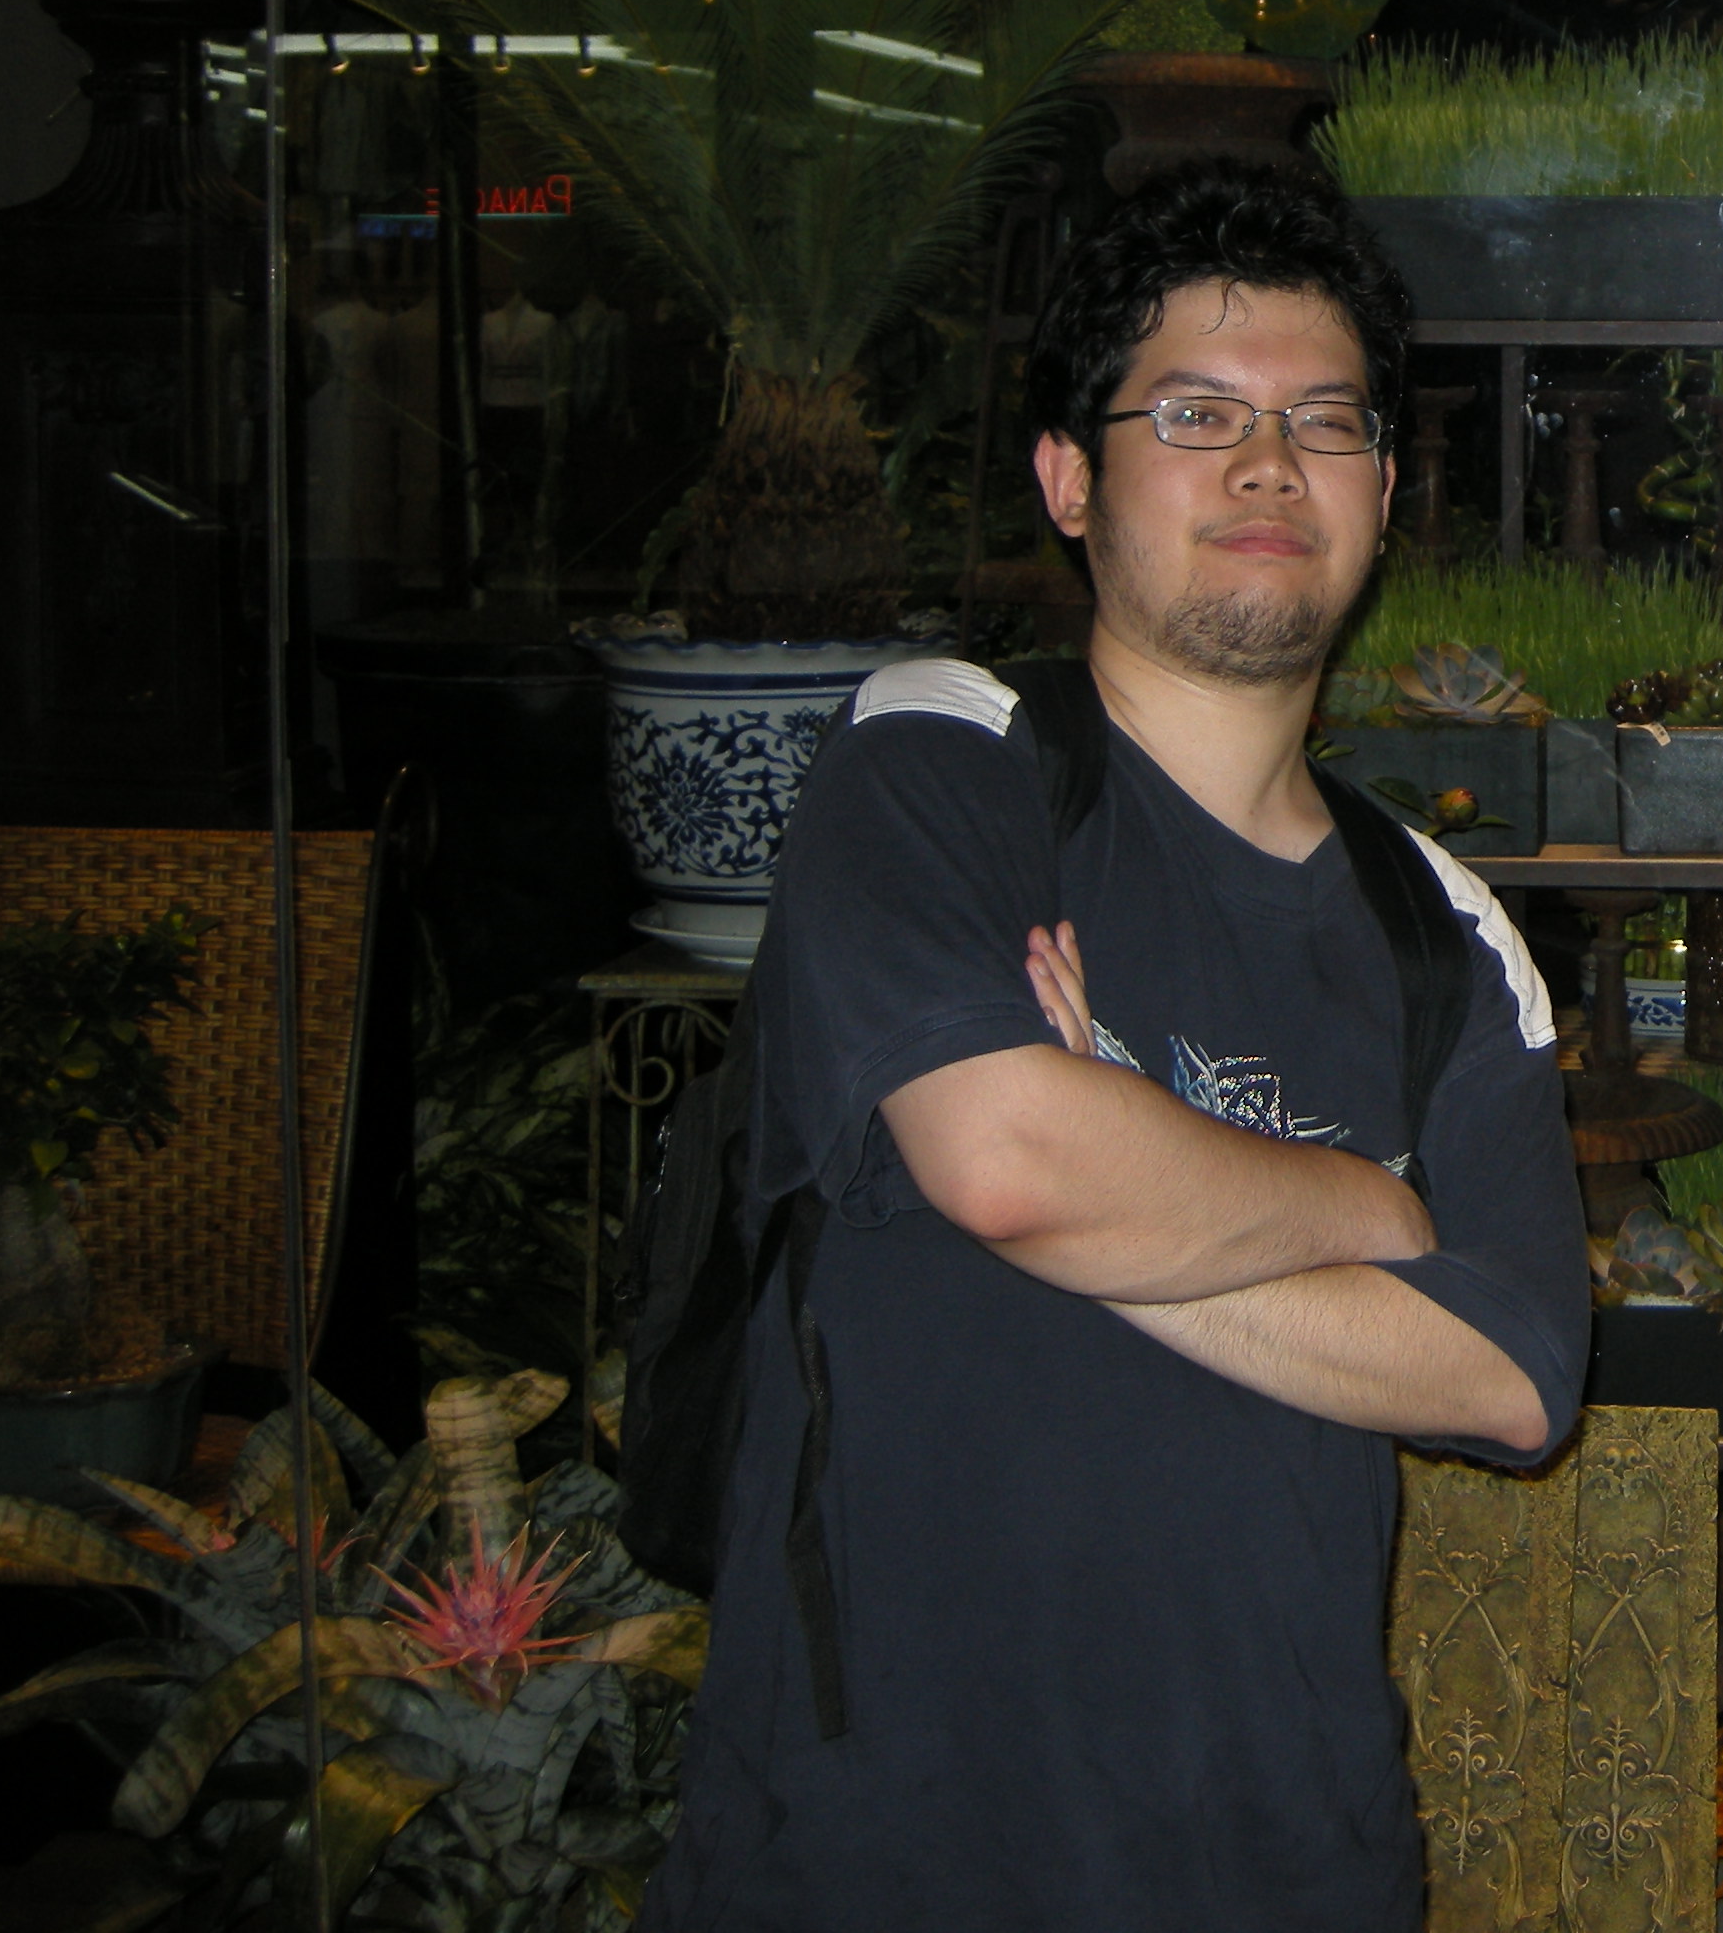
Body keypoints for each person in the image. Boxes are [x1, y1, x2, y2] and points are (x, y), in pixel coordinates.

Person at [652, 163, 1590, 1931]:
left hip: (1289, 1862)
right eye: (1196, 414)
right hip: (880, 1856)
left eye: (1324, 421)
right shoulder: (945, 757)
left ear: (1384, 492)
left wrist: (1120, 1151)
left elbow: (1514, 1381)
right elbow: (1014, 1160)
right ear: (1070, 480)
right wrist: (1370, 1211)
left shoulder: (1446, 930)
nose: (1269, 465)